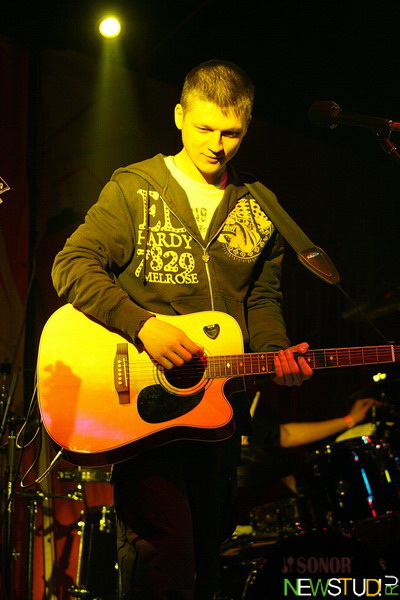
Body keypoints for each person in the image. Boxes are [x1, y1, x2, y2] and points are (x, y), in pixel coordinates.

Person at [51, 60, 313, 600]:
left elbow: (262, 300)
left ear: (247, 126)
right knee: (161, 557)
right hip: (143, 408)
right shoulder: (136, 189)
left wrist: (275, 353)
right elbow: (71, 265)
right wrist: (143, 326)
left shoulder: (260, 207)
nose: (216, 145)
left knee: (209, 559)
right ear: (178, 116)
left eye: (231, 132)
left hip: (218, 413)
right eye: (204, 127)